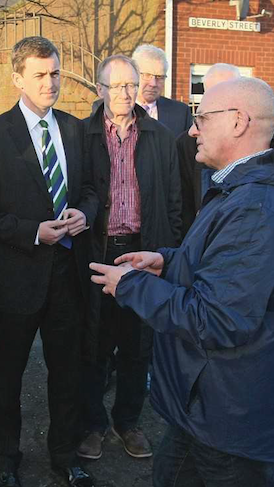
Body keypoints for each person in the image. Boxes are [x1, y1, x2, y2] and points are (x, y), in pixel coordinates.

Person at [90, 77, 274, 486]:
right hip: (208, 404)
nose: (192, 129)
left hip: (232, 414)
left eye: (202, 118)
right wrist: (167, 262)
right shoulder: (243, 190)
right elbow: (222, 266)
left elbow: (218, 319)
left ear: (237, 122)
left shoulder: (260, 206)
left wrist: (130, 286)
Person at [0, 36, 98, 487]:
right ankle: (4, 461)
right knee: (7, 377)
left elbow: (92, 190)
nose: (50, 82)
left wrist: (86, 213)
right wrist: (31, 231)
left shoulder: (76, 129)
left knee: (67, 372)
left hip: (67, 275)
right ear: (18, 77)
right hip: (16, 275)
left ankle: (65, 455)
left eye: (55, 73)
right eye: (40, 75)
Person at [77, 55, 180, 462]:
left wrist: (165, 255)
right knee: (95, 343)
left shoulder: (159, 137)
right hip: (98, 251)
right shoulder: (81, 135)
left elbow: (173, 202)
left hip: (141, 250)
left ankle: (128, 421)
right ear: (100, 90)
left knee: (138, 345)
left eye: (130, 85)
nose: (124, 93)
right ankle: (93, 424)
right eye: (115, 86)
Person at [176, 64, 274, 234]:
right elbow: (183, 199)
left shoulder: (258, 205)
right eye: (212, 93)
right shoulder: (187, 143)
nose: (194, 131)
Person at [91, 44, 192, 136]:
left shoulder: (181, 113)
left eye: (159, 77)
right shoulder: (105, 108)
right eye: (147, 75)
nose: (153, 83)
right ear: (133, 76)